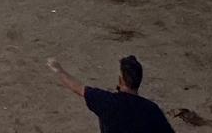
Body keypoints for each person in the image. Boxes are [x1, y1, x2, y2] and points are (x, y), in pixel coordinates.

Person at [44, 54, 175, 133]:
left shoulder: (107, 102)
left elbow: (77, 87)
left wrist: (59, 70)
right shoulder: (151, 110)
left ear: (120, 80)